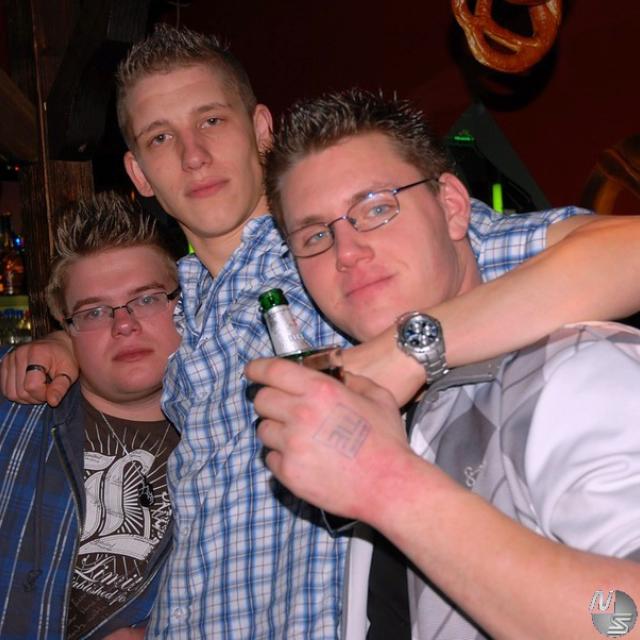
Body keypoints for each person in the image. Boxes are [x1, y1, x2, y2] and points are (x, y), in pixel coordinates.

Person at [4, 25, 640, 639]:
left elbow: (626, 252)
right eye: (161, 138)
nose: (193, 155)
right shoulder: (181, 301)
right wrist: (63, 341)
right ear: (140, 173)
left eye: (212, 120)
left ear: (261, 129)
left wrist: (404, 349)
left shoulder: (338, 252)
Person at [246, 88, 640, 639]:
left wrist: (388, 485)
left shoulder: (570, 369)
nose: (346, 252)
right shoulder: (389, 419)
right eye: (315, 235)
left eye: (376, 208)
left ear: (453, 206)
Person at [0, 192, 181, 639]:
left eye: (147, 299)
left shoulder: (233, 437)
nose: (124, 325)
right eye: (95, 312)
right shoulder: (15, 407)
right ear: (66, 327)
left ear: (185, 302)